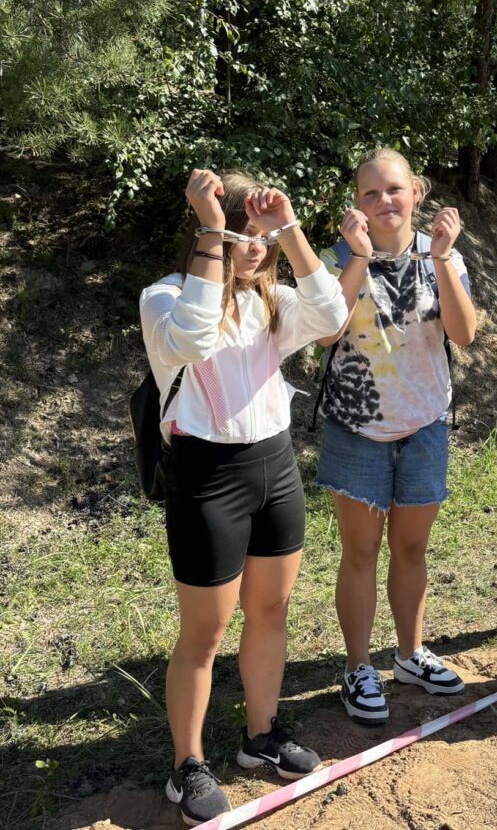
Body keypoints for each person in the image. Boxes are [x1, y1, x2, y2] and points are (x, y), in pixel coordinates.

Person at [139, 168, 347, 825]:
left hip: (276, 469)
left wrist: (290, 229)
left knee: (271, 612)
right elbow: (193, 338)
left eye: (261, 235)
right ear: (211, 231)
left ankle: (261, 739)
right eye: (242, 232)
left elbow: (334, 315)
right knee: (204, 633)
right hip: (207, 478)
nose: (254, 246)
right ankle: (187, 767)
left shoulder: (273, 302)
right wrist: (210, 228)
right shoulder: (165, 299)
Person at [314, 147, 476, 725]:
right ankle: (359, 667)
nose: (384, 201)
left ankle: (409, 655)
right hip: (358, 430)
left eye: (394, 190)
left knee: (411, 550)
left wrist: (441, 259)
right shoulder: (336, 256)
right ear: (356, 204)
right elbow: (325, 334)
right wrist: (356, 258)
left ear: (416, 193)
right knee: (359, 553)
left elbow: (464, 332)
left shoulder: (444, 257)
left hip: (424, 427)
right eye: (370, 193)